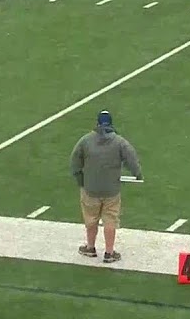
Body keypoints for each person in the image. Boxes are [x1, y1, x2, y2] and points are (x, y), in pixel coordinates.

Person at [70, 111, 141, 264]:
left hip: (90, 188)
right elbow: (131, 158)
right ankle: (109, 252)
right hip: (111, 189)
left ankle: (90, 247)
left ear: (97, 123)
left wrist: (80, 179)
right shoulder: (119, 142)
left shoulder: (86, 140)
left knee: (91, 219)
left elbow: (75, 160)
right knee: (110, 220)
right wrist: (137, 173)